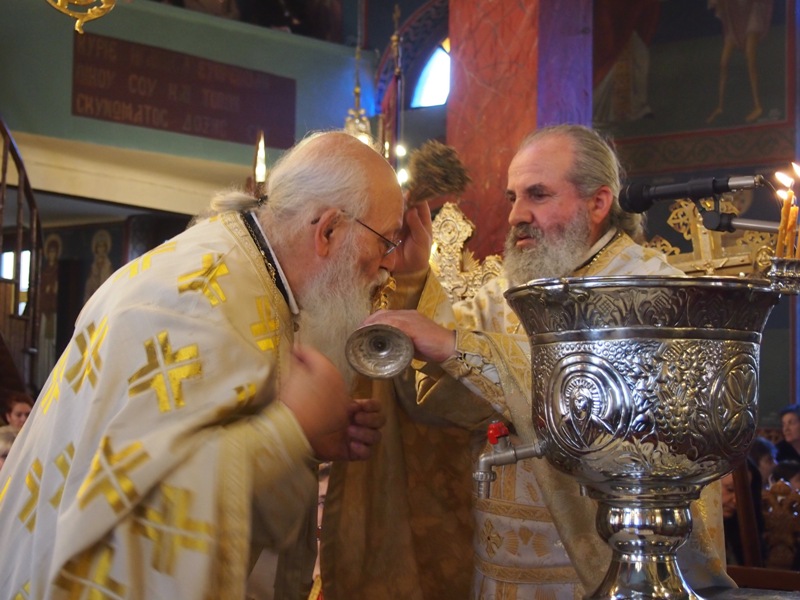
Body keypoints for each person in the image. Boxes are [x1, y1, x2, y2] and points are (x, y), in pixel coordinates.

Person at [0, 131, 410, 599]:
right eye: (386, 241)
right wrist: (290, 429)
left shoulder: (251, 277)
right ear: (329, 230)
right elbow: (137, 518)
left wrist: (307, 439)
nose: (389, 265)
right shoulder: (198, 304)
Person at [364, 124, 734, 598]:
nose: (516, 215)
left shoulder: (651, 288)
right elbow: (442, 392)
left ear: (598, 203)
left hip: (598, 566)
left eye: (538, 195)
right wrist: (415, 277)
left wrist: (459, 348)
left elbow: (612, 407)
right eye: (512, 197)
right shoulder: (511, 288)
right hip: (498, 564)